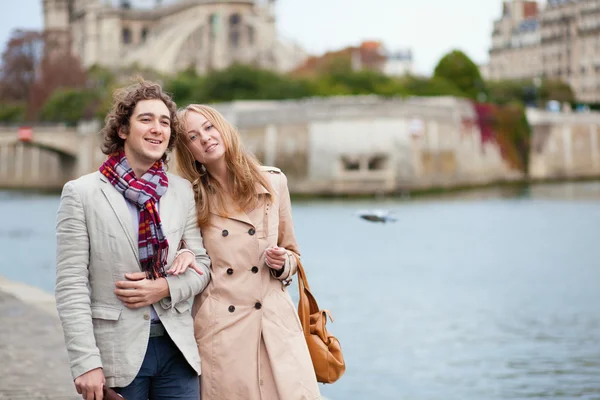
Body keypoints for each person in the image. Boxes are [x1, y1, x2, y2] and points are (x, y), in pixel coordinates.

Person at [55, 80, 211, 400]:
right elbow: (71, 284)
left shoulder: (181, 191)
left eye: (165, 122)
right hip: (117, 354)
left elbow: (203, 265)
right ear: (123, 130)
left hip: (177, 350)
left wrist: (165, 286)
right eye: (146, 119)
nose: (157, 129)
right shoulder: (82, 193)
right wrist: (86, 362)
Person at [173, 104, 321, 400]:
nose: (204, 138)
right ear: (188, 150)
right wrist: (183, 255)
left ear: (223, 129)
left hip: (274, 324)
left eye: (209, 127)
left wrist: (283, 263)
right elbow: (184, 255)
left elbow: (294, 254)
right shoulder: (188, 196)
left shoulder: (274, 182)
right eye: (192, 136)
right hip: (223, 330)